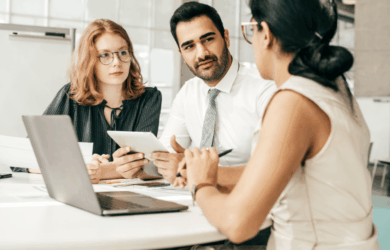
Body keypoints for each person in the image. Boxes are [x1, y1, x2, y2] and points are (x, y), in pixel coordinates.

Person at [179, 0, 380, 249]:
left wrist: (201, 184)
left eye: (252, 30)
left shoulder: (293, 103)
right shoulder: (335, 86)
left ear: (266, 34)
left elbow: (236, 224)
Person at [11, 19, 162, 183]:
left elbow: (143, 164)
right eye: (105, 55)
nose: (117, 62)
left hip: (132, 199)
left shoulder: (149, 99)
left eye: (123, 52)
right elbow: (21, 156)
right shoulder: (70, 96)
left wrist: (100, 171)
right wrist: (72, 168)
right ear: (90, 61)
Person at [152, 2, 275, 191]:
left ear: (225, 37)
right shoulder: (188, 92)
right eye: (189, 46)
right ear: (181, 53)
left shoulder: (264, 88)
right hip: (198, 201)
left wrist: (197, 172)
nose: (202, 53)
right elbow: (163, 159)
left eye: (208, 39)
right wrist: (129, 165)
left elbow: (274, 171)